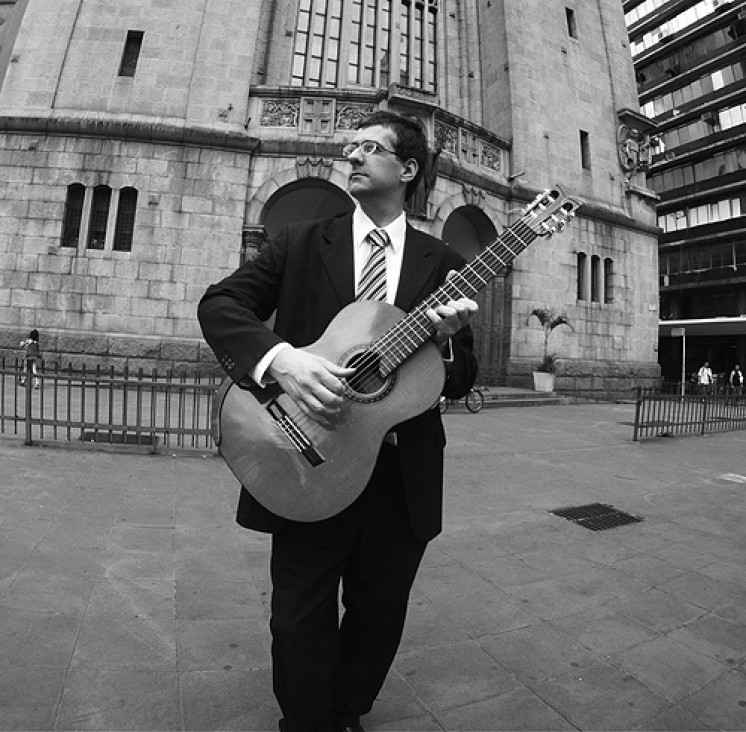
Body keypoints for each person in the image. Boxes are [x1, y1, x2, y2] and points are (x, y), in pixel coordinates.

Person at [198, 110, 478, 732]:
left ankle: (345, 710)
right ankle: (303, 721)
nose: (352, 155)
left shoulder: (440, 263)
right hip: (306, 457)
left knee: (380, 614)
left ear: (407, 170)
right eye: (349, 146)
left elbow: (460, 377)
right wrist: (283, 362)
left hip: (400, 470)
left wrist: (450, 343)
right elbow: (221, 305)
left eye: (370, 147)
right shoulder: (301, 241)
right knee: (298, 615)